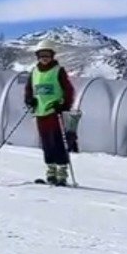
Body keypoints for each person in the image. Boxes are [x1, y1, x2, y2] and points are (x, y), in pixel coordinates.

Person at [23, 40, 76, 185]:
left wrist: (64, 105)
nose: (44, 58)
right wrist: (29, 100)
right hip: (41, 113)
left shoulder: (58, 71)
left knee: (58, 142)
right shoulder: (34, 72)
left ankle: (62, 173)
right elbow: (29, 89)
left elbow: (69, 90)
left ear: (52, 56)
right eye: (41, 55)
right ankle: (51, 171)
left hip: (55, 112)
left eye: (47, 55)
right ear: (37, 56)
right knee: (46, 143)